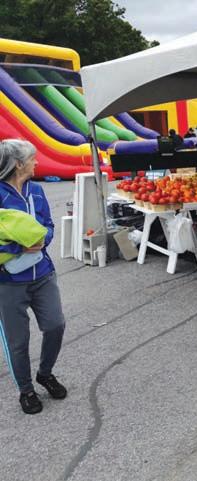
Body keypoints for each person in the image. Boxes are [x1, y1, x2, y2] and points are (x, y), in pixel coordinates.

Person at [0, 140, 67, 414]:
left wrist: (43, 239)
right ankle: (26, 390)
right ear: (18, 164)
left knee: (55, 325)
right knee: (18, 342)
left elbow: (48, 225)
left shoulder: (36, 190)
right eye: (32, 158)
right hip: (8, 282)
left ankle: (45, 373)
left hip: (43, 274)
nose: (36, 162)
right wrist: (18, 247)